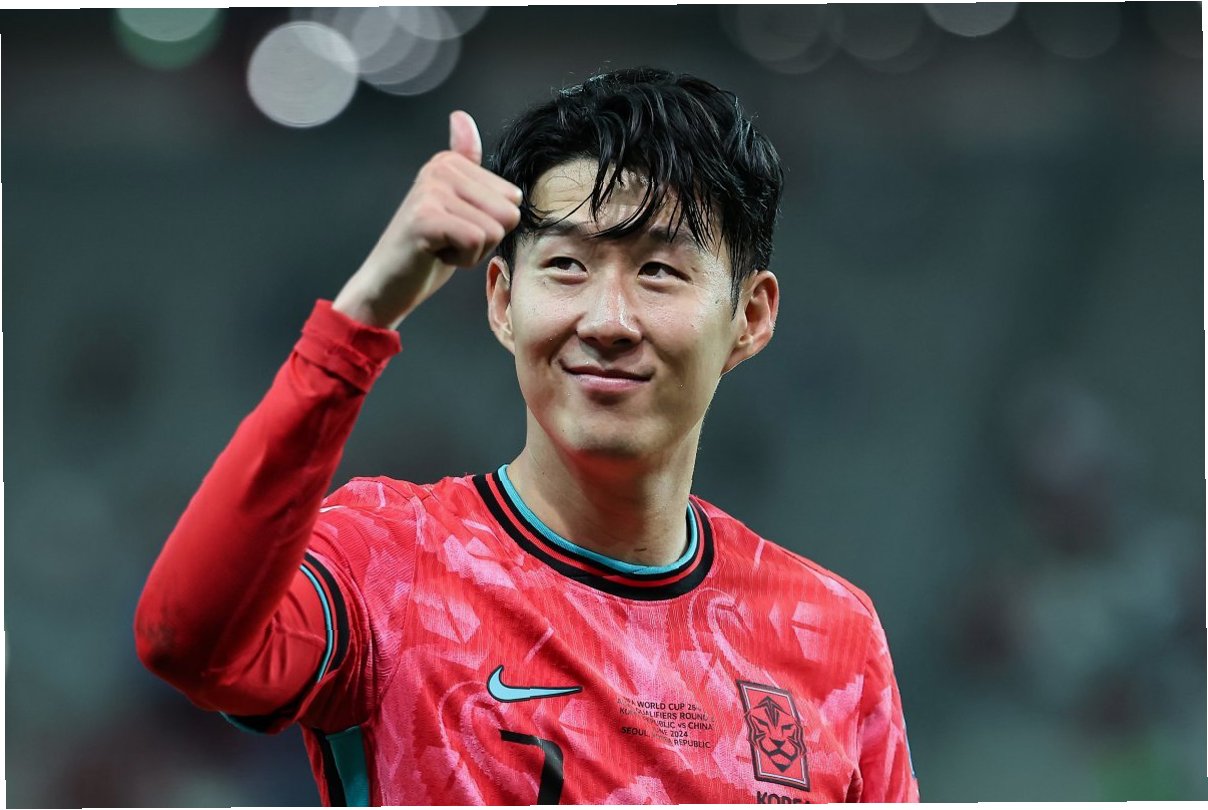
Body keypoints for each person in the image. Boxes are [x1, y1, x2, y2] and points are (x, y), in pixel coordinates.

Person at [135, 67, 919, 805]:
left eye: (659, 272)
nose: (608, 321)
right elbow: (185, 641)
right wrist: (364, 312)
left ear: (750, 317)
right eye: (568, 265)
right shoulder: (388, 564)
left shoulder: (830, 636)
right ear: (502, 302)